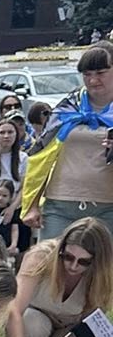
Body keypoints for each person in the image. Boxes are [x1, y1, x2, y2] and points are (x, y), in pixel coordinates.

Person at [21, 44, 113, 239]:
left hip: (108, 206)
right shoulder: (68, 107)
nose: (93, 80)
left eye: (100, 73)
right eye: (87, 74)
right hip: (60, 203)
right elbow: (42, 156)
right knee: (50, 257)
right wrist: (32, 204)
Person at [10, 221, 113, 337]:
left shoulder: (104, 276)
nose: (73, 266)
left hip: (70, 329)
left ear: (97, 261)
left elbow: (91, 322)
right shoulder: (40, 257)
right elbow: (14, 311)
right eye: (68, 257)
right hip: (35, 320)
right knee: (31, 321)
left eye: (84, 262)